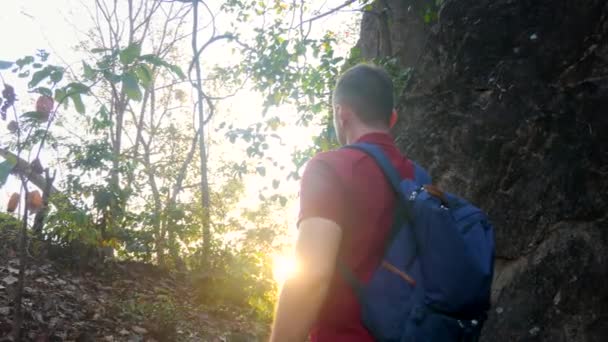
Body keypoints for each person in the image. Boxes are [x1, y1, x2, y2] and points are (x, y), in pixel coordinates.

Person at [270, 63, 414, 342]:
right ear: (392, 118)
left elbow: (311, 276)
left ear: (341, 112)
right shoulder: (419, 180)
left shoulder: (332, 167)